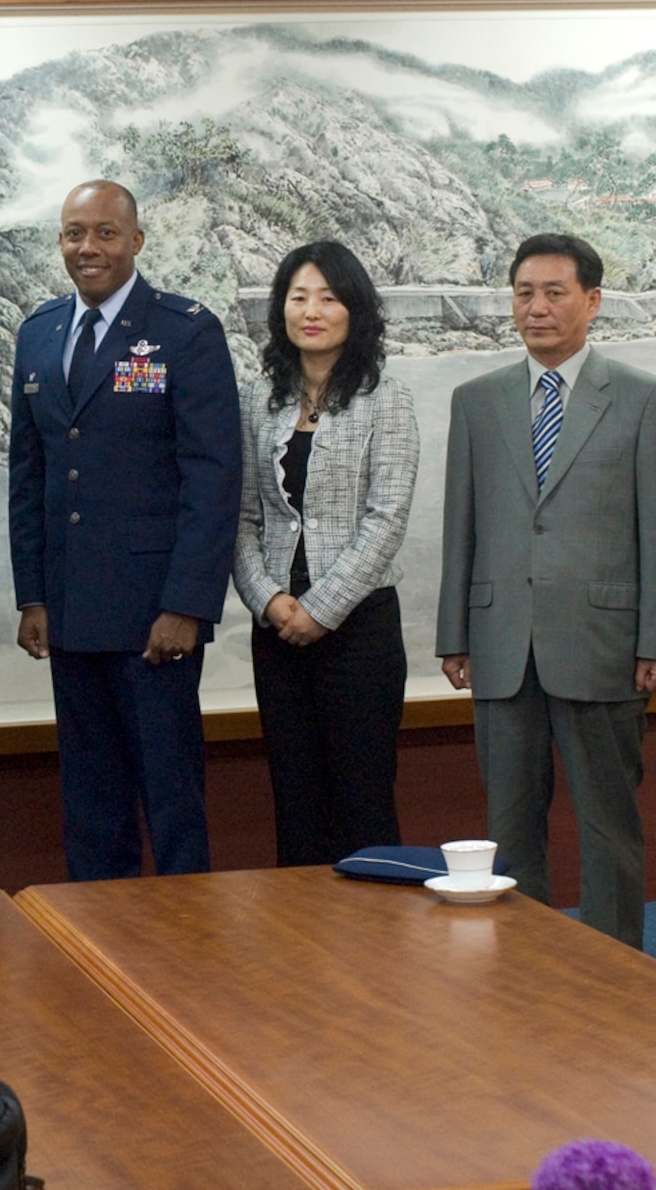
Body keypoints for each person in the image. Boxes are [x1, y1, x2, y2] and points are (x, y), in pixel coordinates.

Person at [436, 234, 656, 948]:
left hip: (603, 643)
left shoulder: (642, 398)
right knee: (509, 831)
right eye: (524, 293)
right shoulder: (477, 401)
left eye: (555, 292)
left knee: (609, 826)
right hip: (500, 641)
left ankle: (613, 982)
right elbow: (463, 523)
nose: (537, 307)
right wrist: (455, 632)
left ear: (593, 301)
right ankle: (524, 974)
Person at [8, 180, 241, 881]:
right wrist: (33, 596)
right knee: (90, 803)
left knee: (170, 802)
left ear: (136, 241)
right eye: (74, 233)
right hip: (72, 613)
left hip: (154, 618)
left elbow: (212, 475)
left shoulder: (184, 330)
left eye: (105, 233)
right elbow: (30, 475)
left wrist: (188, 605)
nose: (88, 248)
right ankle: (98, 950)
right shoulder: (40, 332)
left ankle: (182, 954)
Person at [232, 241, 419, 867]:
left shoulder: (385, 399)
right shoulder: (259, 401)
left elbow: (386, 518)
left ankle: (371, 953)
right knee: (295, 800)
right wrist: (269, 602)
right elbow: (244, 517)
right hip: (278, 633)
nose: (311, 311)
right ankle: (301, 954)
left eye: (329, 297)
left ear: (354, 310)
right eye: (298, 296)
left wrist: (321, 609)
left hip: (359, 629)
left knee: (363, 800)